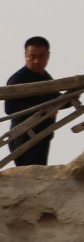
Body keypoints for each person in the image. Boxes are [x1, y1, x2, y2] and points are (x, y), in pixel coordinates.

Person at [4, 36, 56, 168]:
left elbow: (55, 98)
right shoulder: (18, 79)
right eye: (32, 56)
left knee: (39, 171)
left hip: (41, 135)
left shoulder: (46, 78)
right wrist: (45, 110)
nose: (37, 61)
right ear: (25, 55)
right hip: (24, 135)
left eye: (41, 56)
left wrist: (74, 95)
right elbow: (10, 107)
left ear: (48, 56)